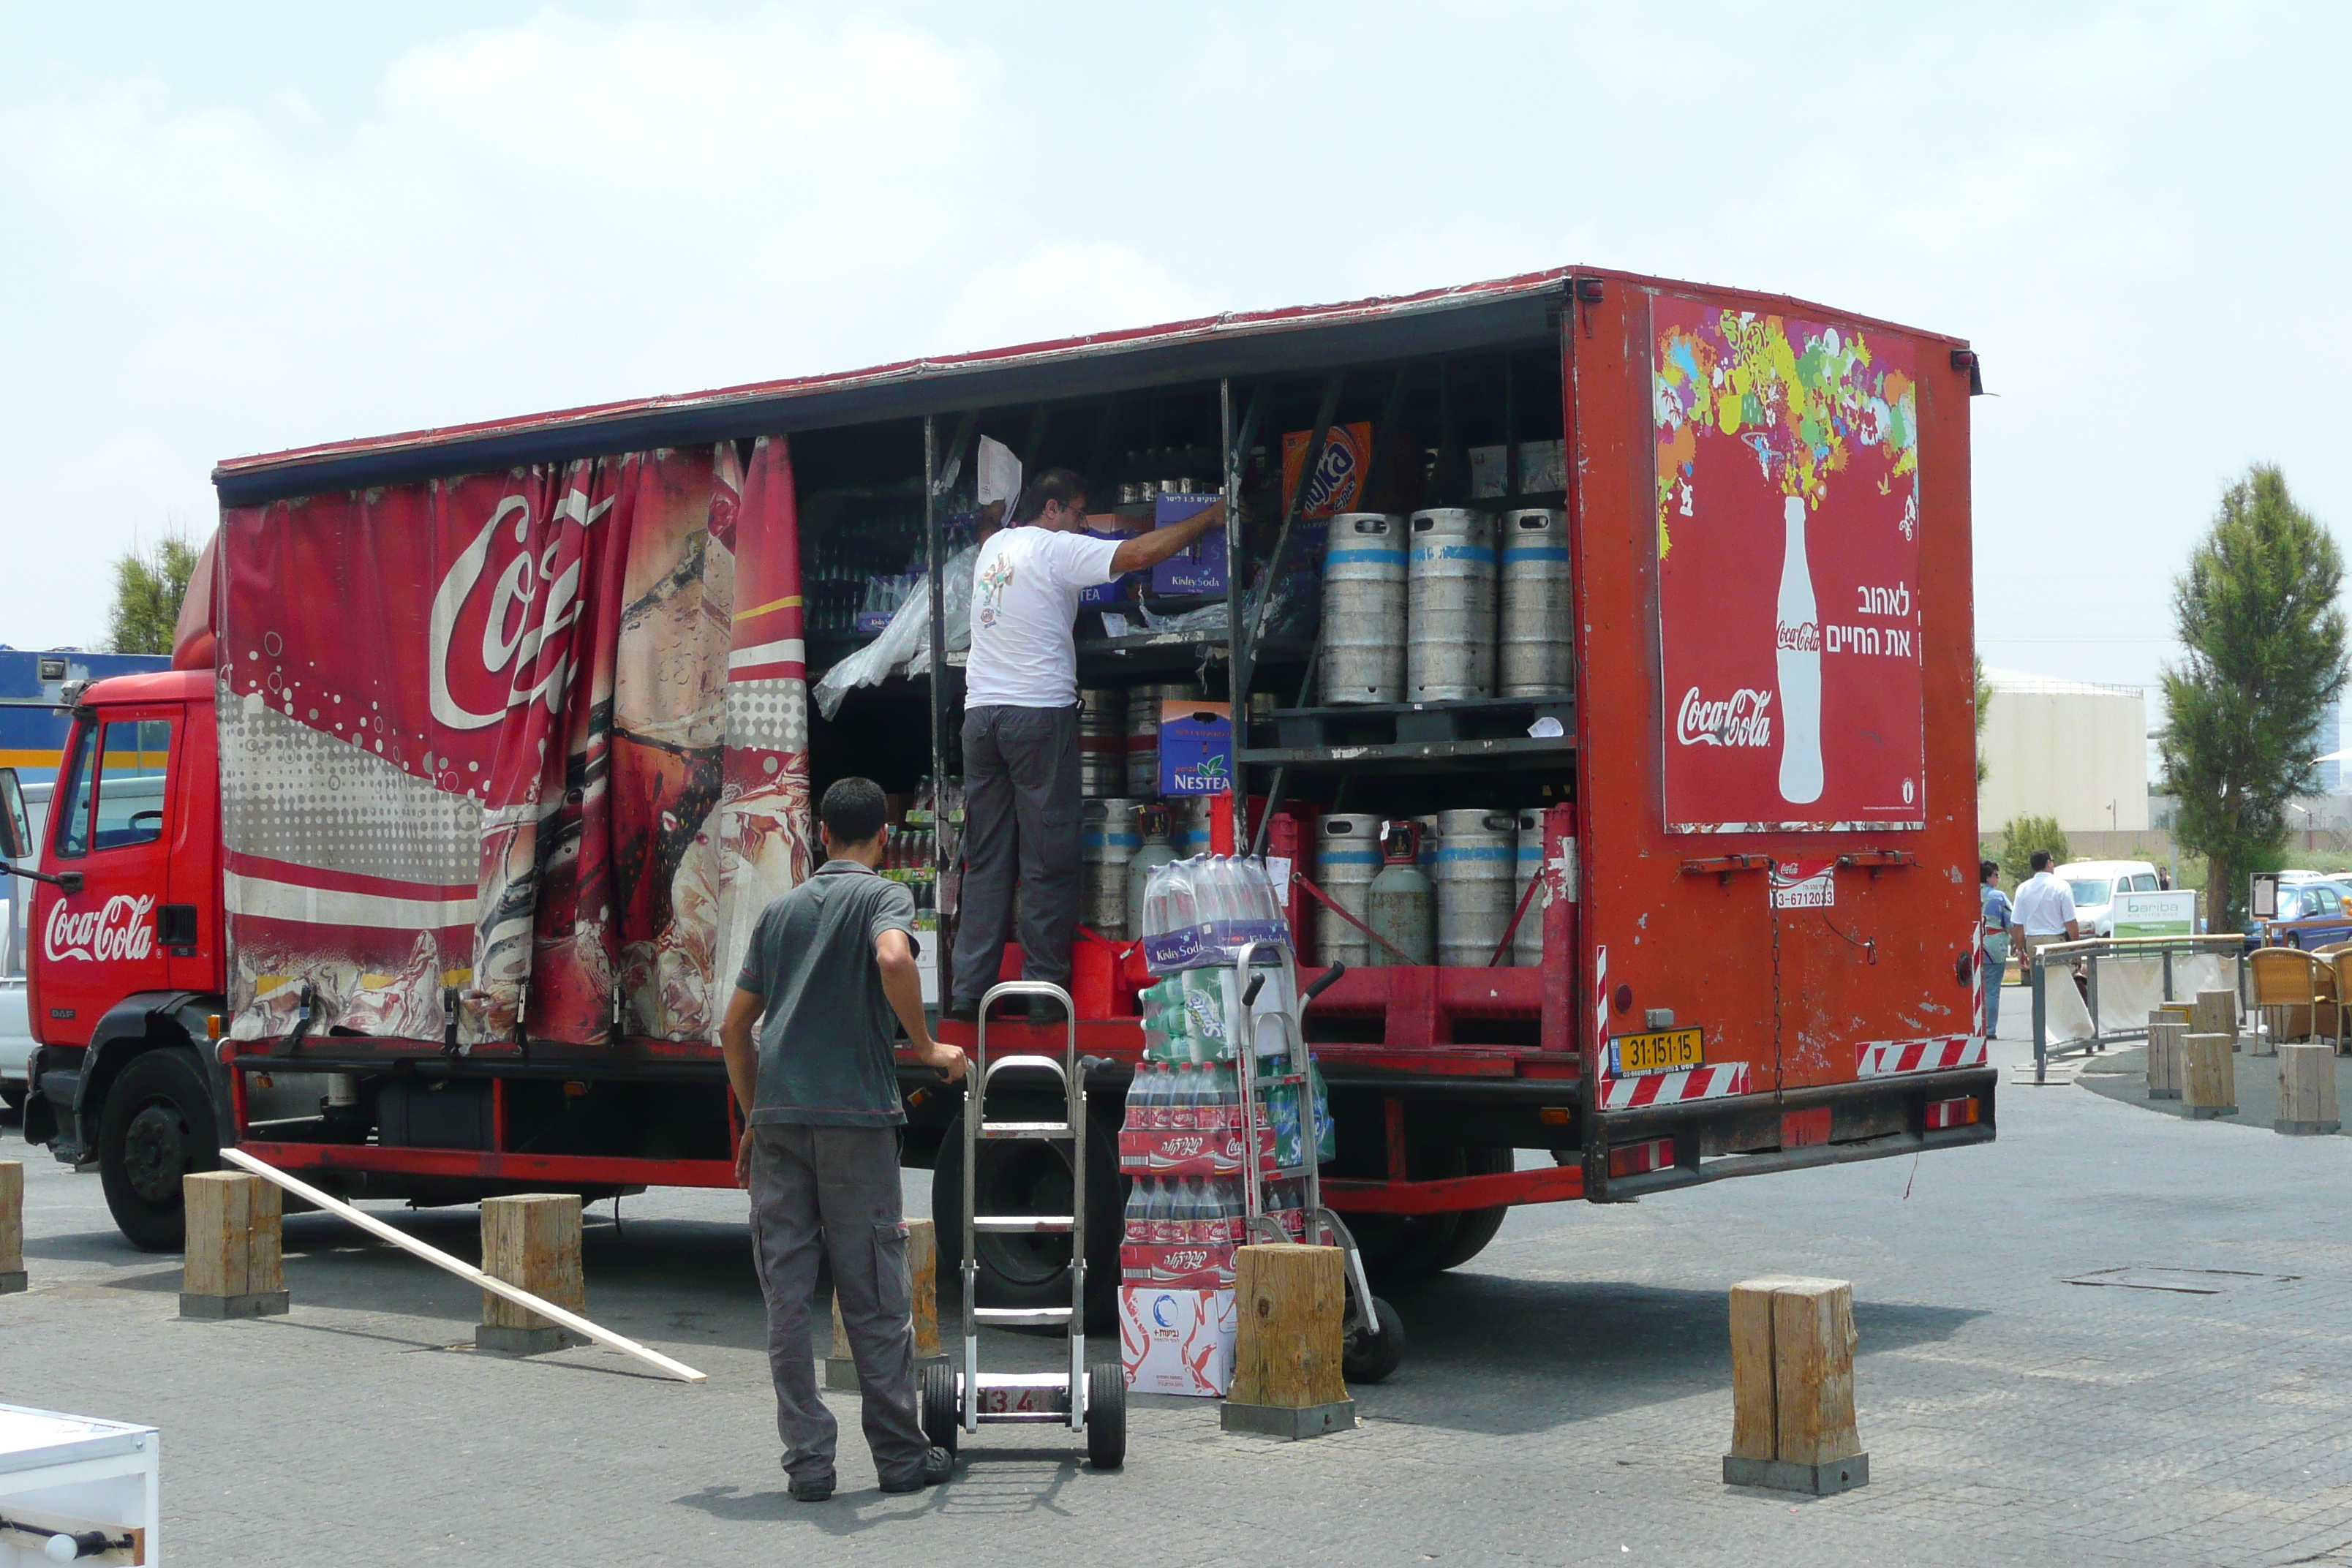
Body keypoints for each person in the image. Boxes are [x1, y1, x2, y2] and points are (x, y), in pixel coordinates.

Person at [718, 776, 969, 1502]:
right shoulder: (884, 896)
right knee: (873, 1294)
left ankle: (808, 1464)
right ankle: (897, 1457)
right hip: (855, 1120)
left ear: (820, 834)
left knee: (788, 1298)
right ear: (884, 836)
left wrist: (756, 1115)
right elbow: (894, 958)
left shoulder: (782, 913)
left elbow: (735, 1028)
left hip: (781, 1122)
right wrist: (923, 1043)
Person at [947, 467, 1225, 1025]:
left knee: (987, 861)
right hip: (1036, 717)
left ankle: (966, 993)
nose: (1082, 524)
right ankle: (1044, 996)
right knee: (1048, 859)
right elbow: (1141, 554)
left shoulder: (994, 548)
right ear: (1051, 511)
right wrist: (1213, 517)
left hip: (980, 720)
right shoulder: (1055, 549)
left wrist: (990, 505)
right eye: (1077, 513)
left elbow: (984, 526)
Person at [2011, 849, 2081, 978]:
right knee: (2057, 982)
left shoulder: (2023, 888)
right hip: (2055, 940)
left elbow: (2017, 925)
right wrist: (2077, 947)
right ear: (2049, 863)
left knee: (2039, 984)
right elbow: (2070, 921)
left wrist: (2020, 950)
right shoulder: (2061, 886)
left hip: (2032, 941)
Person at [1979, 858, 2018, 1037]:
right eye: (1996, 875)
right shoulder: (1998, 897)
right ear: (1988, 877)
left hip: (1971, 947)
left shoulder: (1966, 894)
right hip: (1993, 948)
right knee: (1991, 990)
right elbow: (2011, 923)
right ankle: (1989, 1029)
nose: (1998, 879)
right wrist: (2019, 943)